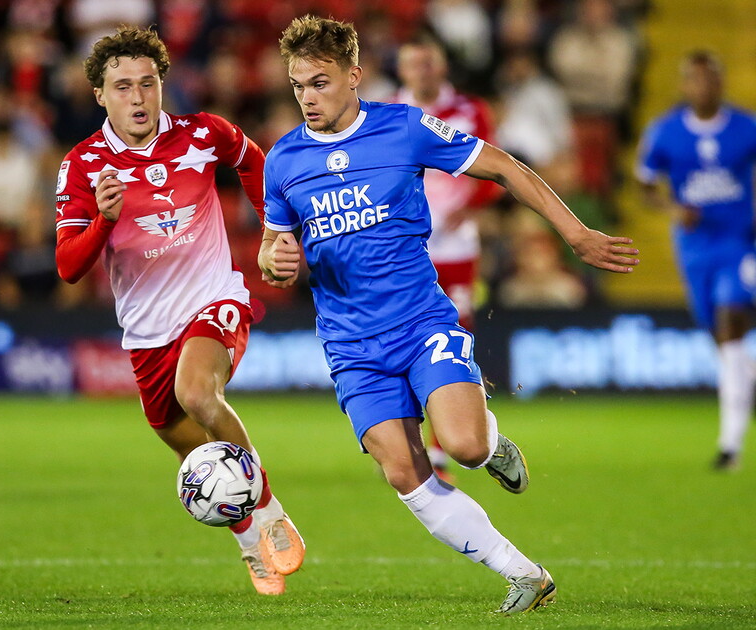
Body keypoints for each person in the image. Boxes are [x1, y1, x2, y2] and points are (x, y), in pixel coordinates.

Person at [259, 15, 638, 614]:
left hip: (421, 324)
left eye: (320, 82)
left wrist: (575, 233)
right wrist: (275, 262)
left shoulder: (405, 127)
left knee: (460, 446)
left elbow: (506, 168)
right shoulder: (282, 161)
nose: (307, 96)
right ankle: (524, 574)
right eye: (298, 84)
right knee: (405, 473)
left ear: (353, 76)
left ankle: (491, 443)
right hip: (351, 346)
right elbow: (273, 251)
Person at [53, 26, 304, 595]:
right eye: (122, 87)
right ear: (99, 94)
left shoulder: (203, 134)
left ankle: (270, 510)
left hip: (214, 302)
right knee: (192, 448)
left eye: (147, 83)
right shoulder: (83, 165)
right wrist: (103, 220)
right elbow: (69, 266)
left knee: (198, 394)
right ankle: (249, 540)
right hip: (145, 332)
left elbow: (253, 161)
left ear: (163, 84)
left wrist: (271, 230)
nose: (137, 98)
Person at [636, 50, 756, 471]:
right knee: (722, 341)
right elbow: (645, 185)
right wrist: (672, 208)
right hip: (694, 248)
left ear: (721, 84)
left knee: (730, 323)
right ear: (685, 86)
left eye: (712, 80)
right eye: (696, 81)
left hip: (740, 242)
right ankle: (743, 398)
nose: (704, 88)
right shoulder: (666, 131)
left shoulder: (746, 127)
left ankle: (729, 447)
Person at [394, 34, 503, 480]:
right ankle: (412, 439)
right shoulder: (387, 113)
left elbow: (497, 171)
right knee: (403, 337)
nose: (422, 70)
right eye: (413, 62)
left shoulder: (472, 111)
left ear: (442, 67)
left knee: (455, 336)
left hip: (457, 248)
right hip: (406, 248)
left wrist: (470, 206)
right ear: (401, 70)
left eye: (429, 62)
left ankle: (442, 446)